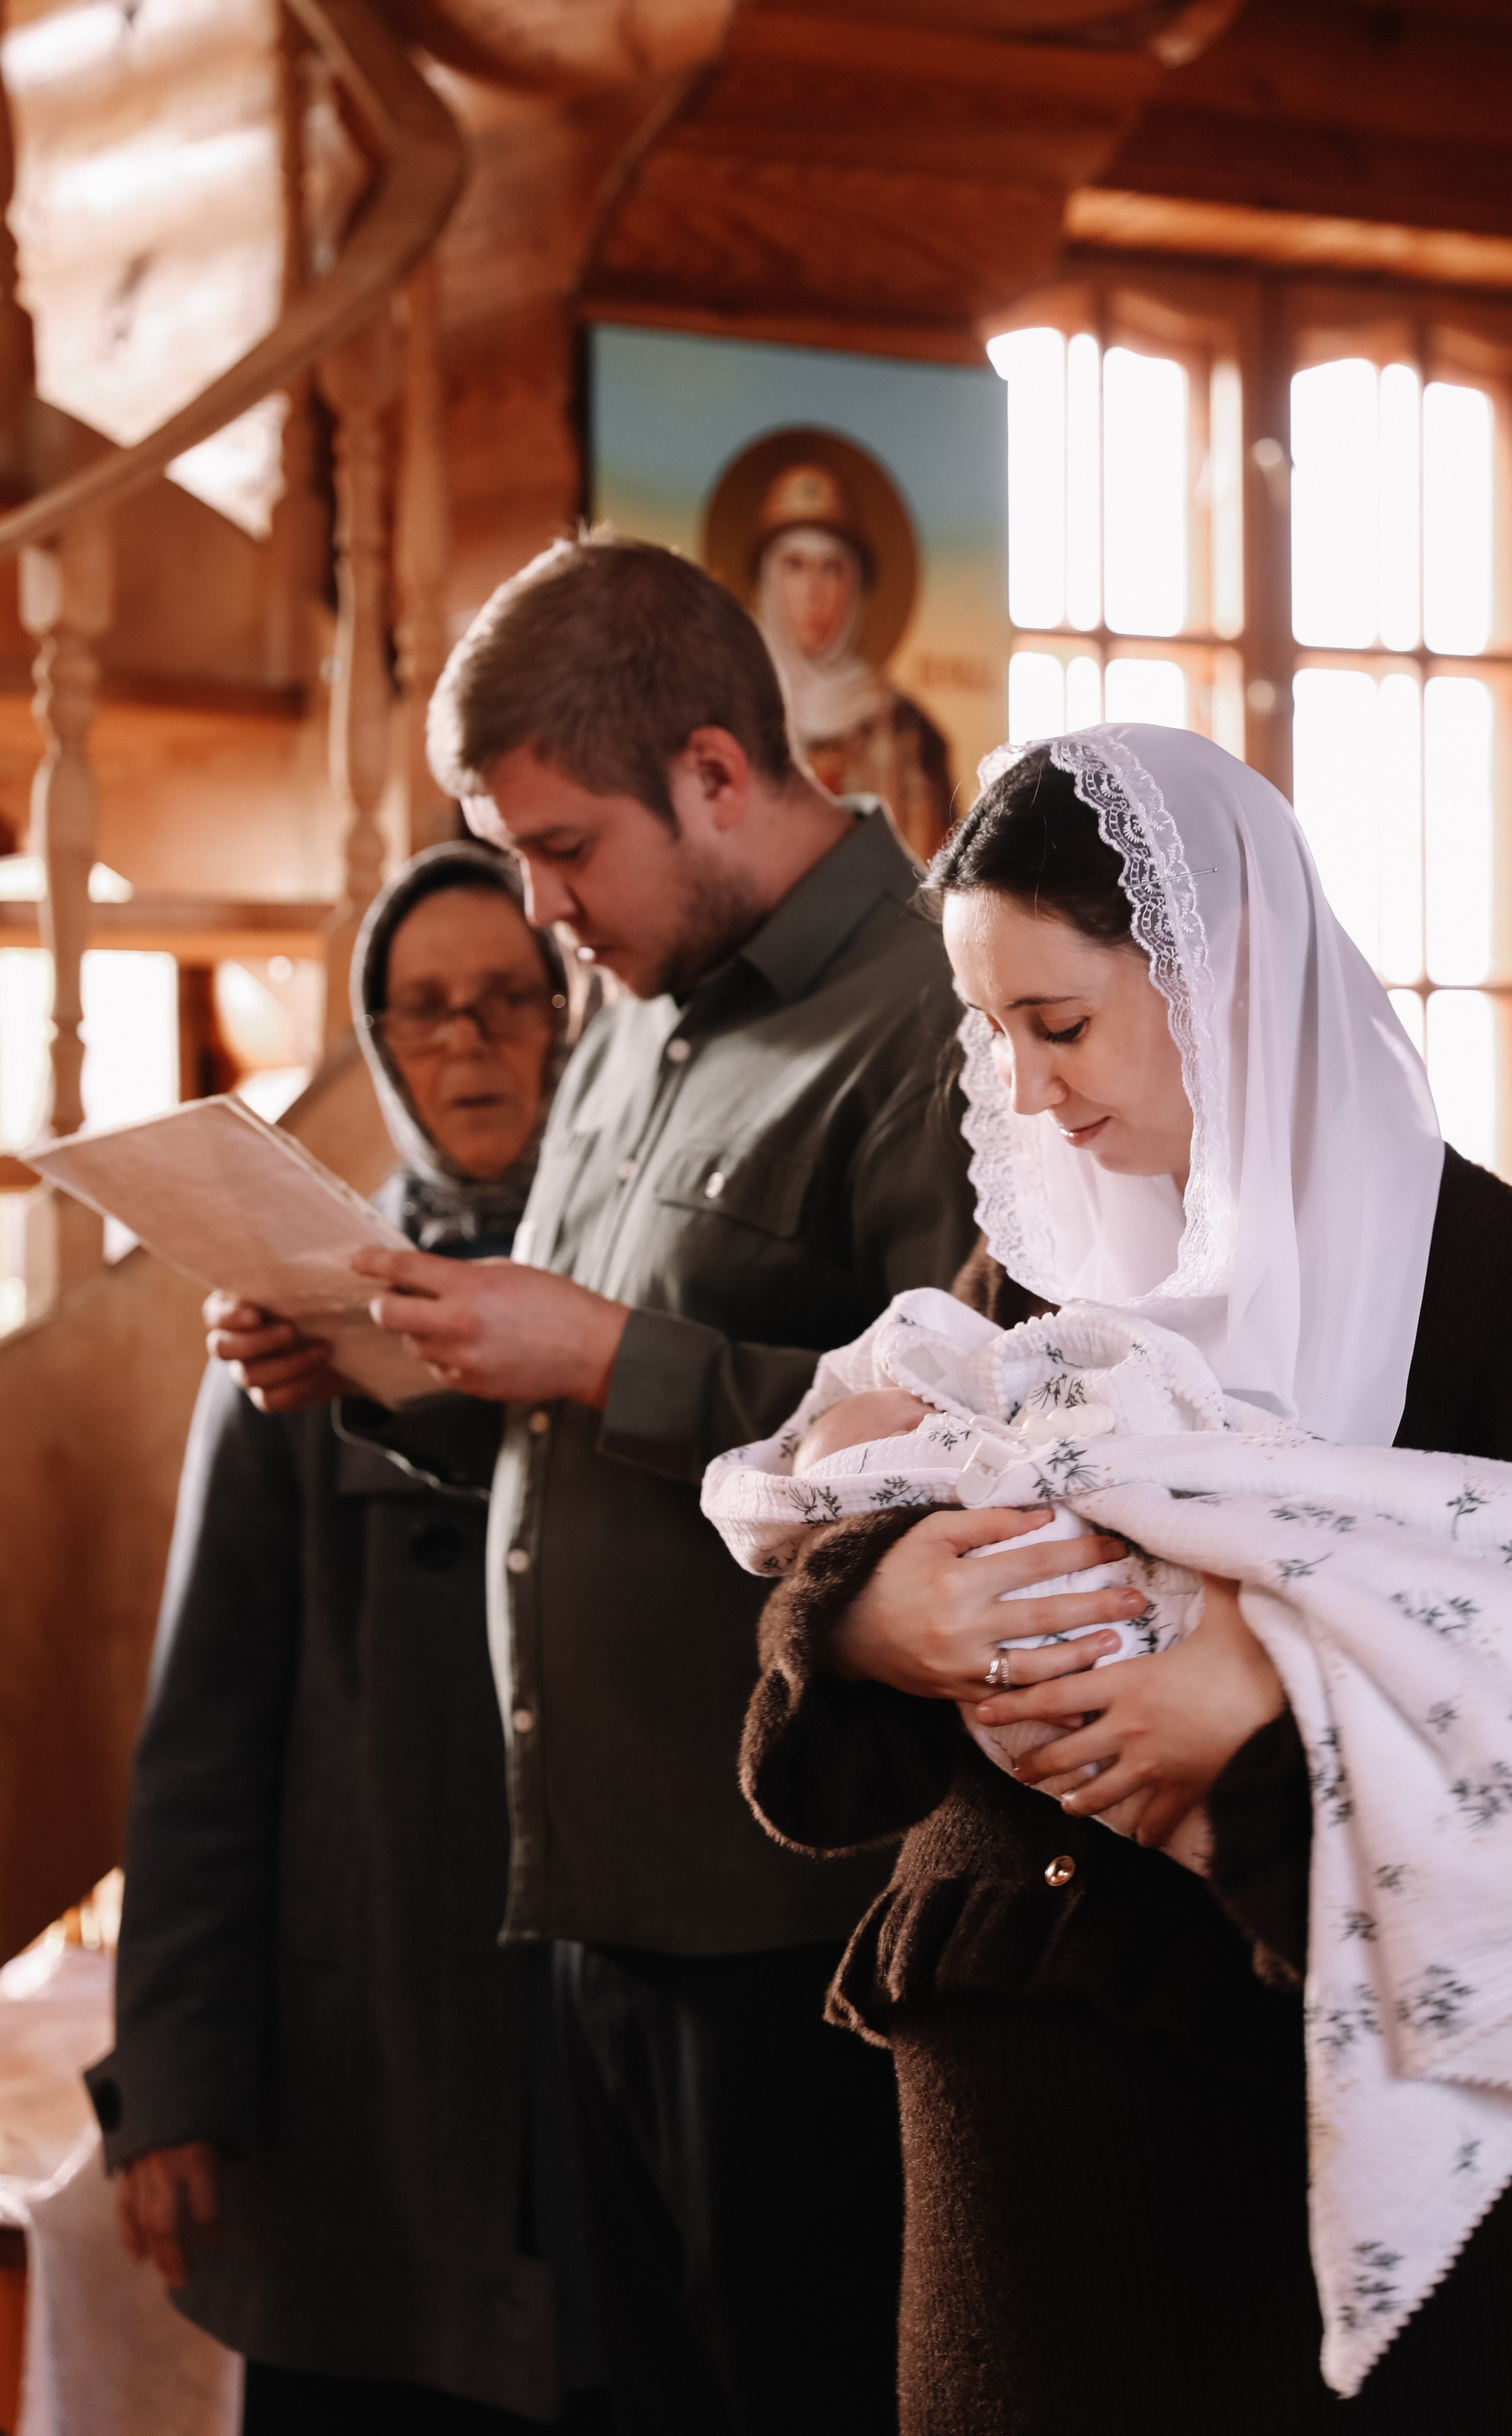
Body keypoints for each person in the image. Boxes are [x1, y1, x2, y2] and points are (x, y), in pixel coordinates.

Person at [731, 729, 1512, 2436]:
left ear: (1222, 970)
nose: (1025, 1090)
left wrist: (1266, 1716)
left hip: (1305, 2231)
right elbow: (845, 1616)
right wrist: (863, 1621)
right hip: (1015, 2241)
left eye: (1059, 1024)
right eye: (994, 1034)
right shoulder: (1028, 1286)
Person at [209, 535, 977, 2436]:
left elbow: (974, 1447)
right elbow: (571, 1423)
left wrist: (607, 1355)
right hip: (595, 1896)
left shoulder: (938, 1020)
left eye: (562, 850)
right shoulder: (641, 986)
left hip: (793, 1926)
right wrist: (386, 1373)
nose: (542, 910)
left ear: (715, 773)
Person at [88, 843, 603, 2434]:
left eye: (508, 998)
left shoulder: (640, 1299)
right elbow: (207, 1732)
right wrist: (172, 2082)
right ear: (377, 1040)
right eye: (426, 1009)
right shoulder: (286, 1321)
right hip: (360, 2048)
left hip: (592, 2052)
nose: (469, 1042)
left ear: (568, 1017)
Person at [749, 459, 954, 860]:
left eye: (832, 569)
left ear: (857, 584)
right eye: (794, 566)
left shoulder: (909, 733)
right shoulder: (736, 715)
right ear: (766, 581)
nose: (814, 592)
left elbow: (937, 879)